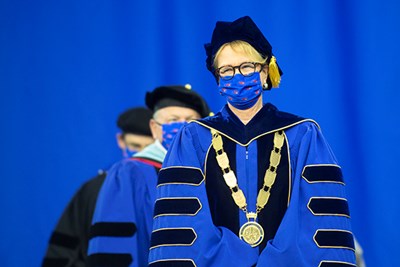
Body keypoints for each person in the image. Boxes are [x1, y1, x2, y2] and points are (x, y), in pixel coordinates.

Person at [149, 16, 356, 266]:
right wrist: (230, 258)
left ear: (265, 71)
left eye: (247, 66)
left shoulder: (303, 135)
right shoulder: (193, 138)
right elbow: (182, 228)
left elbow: (317, 223)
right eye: (226, 70)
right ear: (218, 80)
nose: (237, 76)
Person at [87, 85, 210, 267]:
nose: (182, 127)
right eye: (173, 120)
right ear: (154, 127)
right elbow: (115, 246)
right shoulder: (129, 173)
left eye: (191, 121)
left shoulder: (212, 172)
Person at [42, 107, 153, 267]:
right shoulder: (93, 189)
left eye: (147, 148)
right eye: (135, 146)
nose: (140, 155)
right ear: (121, 141)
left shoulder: (164, 187)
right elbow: (65, 252)